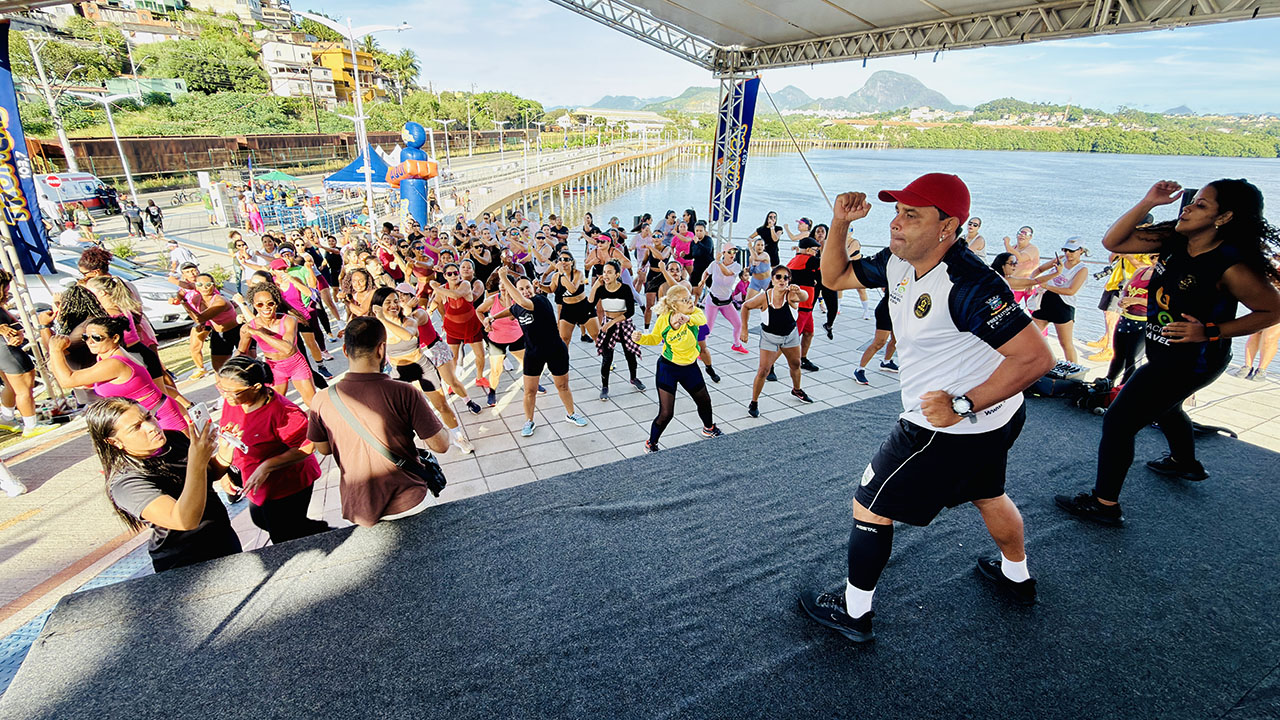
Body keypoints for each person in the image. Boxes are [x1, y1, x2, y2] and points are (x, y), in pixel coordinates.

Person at [802, 175, 1055, 643]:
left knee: (869, 505)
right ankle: (1016, 577)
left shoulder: (971, 283)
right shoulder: (898, 262)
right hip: (999, 418)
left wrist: (962, 404)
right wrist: (838, 224)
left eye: (911, 216)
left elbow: (1039, 358)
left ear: (947, 226)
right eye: (896, 213)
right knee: (988, 493)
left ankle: (855, 613)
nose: (895, 224)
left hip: (947, 427)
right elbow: (834, 277)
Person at [1056, 179, 1280, 525]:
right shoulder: (1174, 239)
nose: (1188, 208)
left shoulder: (1230, 265)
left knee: (1118, 421)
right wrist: (1149, 201)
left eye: (1202, 205)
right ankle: (1184, 463)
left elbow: (1273, 311)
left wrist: (1210, 331)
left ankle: (1105, 505)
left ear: (1224, 217)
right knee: (1169, 407)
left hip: (1191, 361)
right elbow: (1112, 242)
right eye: (1192, 201)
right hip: (1163, 351)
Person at [306, 317, 452, 526]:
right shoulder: (404, 392)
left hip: (360, 507)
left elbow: (323, 448)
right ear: (382, 350)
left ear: (346, 350)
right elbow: (441, 445)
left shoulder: (322, 399)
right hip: (409, 501)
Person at [88, 398, 241, 572]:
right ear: (114, 442)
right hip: (185, 563)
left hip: (223, 538)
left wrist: (224, 453)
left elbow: (207, 475)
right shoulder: (126, 483)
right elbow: (184, 520)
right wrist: (197, 462)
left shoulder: (173, 439)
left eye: (148, 417)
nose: (151, 427)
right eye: (136, 427)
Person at [215, 357, 330, 544]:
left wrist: (267, 466)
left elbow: (307, 446)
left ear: (256, 387)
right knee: (261, 519)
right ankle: (314, 531)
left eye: (230, 391)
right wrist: (224, 470)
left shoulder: (284, 413)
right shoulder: (233, 402)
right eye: (221, 389)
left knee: (283, 536)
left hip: (286, 484)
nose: (224, 396)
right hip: (254, 477)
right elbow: (228, 435)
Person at [371, 285, 477, 452]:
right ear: (378, 306)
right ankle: (407, 447)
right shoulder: (377, 328)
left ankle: (459, 438)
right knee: (400, 414)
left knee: (442, 405)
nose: (393, 305)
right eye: (388, 302)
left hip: (422, 368)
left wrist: (383, 319)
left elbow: (407, 334)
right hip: (399, 372)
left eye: (396, 301)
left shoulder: (410, 320)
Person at [490, 267, 589, 437]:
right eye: (521, 289)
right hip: (533, 352)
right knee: (530, 390)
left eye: (527, 287)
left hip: (555, 350)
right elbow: (512, 311)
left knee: (562, 385)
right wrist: (492, 317)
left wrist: (503, 277)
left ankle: (571, 414)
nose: (525, 291)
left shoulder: (540, 301)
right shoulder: (518, 306)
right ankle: (529, 421)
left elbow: (521, 302)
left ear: (533, 288)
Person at [48, 316, 189, 433]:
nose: (90, 342)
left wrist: (55, 350)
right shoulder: (104, 356)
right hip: (147, 419)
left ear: (115, 338)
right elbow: (84, 382)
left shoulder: (114, 364)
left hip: (160, 419)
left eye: (96, 338)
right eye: (86, 337)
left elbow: (68, 381)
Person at [633, 284, 722, 452]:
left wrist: (687, 319)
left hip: (690, 368)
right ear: (674, 305)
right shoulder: (664, 319)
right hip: (668, 369)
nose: (690, 302)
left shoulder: (694, 313)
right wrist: (640, 339)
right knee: (667, 413)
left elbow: (702, 319)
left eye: (690, 298)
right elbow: (654, 338)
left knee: (704, 401)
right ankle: (651, 443)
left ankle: (709, 428)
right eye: (685, 300)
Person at [738, 264, 810, 418]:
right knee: (763, 370)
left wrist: (799, 290)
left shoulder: (791, 294)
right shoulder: (765, 297)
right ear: (772, 279)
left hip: (790, 335)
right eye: (779, 277)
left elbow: (805, 297)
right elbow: (745, 306)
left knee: (796, 364)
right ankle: (754, 402)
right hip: (769, 338)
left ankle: (796, 389)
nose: (782, 280)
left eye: (786, 277)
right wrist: (744, 328)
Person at [235, 283, 316, 407]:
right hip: (274, 368)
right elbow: (241, 352)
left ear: (276, 303)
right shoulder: (248, 328)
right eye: (260, 304)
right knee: (272, 405)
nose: (265, 308)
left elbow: (288, 349)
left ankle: (322, 425)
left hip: (296, 364)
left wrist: (259, 333)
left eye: (270, 303)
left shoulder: (289, 320)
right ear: (254, 305)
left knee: (312, 402)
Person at [0, 271, 55, 437]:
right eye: (5, 287)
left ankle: (8, 418)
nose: (8, 291)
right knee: (24, 388)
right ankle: (31, 425)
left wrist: (18, 334)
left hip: (5, 350)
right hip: (7, 352)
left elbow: (14, 324)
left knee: (11, 386)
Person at [588, 260, 645, 401]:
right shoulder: (601, 289)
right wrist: (595, 286)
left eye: (609, 272)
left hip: (623, 322)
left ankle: (634, 378)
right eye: (604, 272)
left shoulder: (625, 288)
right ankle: (605, 386)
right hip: (608, 322)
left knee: (630, 353)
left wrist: (613, 322)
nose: (606, 275)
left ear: (617, 274)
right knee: (607, 357)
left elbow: (630, 311)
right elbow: (589, 304)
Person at [1030, 237, 1089, 363]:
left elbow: (1072, 291)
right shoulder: (1060, 259)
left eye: (1071, 251)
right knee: (1031, 336)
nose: (1068, 254)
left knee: (1066, 343)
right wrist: (1031, 281)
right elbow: (1040, 269)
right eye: (1065, 250)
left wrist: (1047, 286)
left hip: (1063, 304)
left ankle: (1074, 371)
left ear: (1081, 251)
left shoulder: (1082, 269)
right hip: (1045, 300)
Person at [432, 262, 489, 391]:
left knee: (480, 354)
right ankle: (454, 383)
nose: (453, 276)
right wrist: (430, 314)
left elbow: (456, 295)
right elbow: (435, 302)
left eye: (456, 273)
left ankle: (479, 378)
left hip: (471, 325)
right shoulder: (442, 289)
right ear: (445, 276)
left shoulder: (465, 284)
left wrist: (434, 286)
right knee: (454, 357)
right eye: (449, 274)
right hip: (453, 328)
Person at [1104, 254, 1155, 385]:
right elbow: (1126, 289)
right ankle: (1107, 385)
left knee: (1132, 360)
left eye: (1158, 257)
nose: (1155, 260)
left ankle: (1123, 390)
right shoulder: (1141, 270)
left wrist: (1136, 300)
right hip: (1125, 318)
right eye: (1153, 256)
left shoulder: (1164, 277)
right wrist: (1122, 300)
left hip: (1143, 321)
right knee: (1118, 356)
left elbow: (1162, 303)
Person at [179, 272, 241, 374]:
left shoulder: (220, 301)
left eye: (208, 285)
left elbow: (199, 318)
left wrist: (183, 302)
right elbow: (200, 319)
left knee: (247, 363)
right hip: (218, 334)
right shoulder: (197, 299)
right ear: (196, 286)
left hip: (236, 332)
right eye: (200, 285)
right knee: (219, 369)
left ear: (214, 285)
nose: (204, 287)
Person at [703, 243, 748, 354]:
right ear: (724, 253)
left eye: (734, 252)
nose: (732, 254)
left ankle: (736, 344)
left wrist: (719, 262)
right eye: (729, 252)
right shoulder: (714, 264)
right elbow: (706, 272)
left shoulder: (736, 266)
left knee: (738, 324)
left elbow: (727, 273)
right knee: (708, 328)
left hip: (726, 302)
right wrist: (702, 281)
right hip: (713, 301)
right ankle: (700, 349)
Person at [786, 237, 822, 372]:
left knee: (808, 333)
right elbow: (829, 264)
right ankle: (770, 365)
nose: (816, 253)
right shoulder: (809, 260)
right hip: (801, 307)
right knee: (791, 338)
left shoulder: (793, 260)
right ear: (808, 250)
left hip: (806, 307)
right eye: (815, 250)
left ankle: (803, 358)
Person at [548, 252, 600, 345]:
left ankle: (606, 358)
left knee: (596, 335)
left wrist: (561, 274)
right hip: (568, 308)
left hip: (583, 306)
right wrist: (539, 285)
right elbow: (550, 289)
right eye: (560, 260)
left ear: (572, 262)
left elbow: (572, 289)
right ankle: (564, 359)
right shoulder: (556, 276)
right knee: (564, 338)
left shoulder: (578, 273)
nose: (563, 262)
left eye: (566, 260)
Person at [852, 292, 898, 386]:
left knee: (897, 339)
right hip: (886, 311)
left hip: (900, 313)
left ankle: (886, 362)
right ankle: (860, 369)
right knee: (879, 343)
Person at [1003, 226, 1039, 305]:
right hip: (1015, 285)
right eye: (1020, 233)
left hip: (1029, 286)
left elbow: (1020, 258)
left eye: (1026, 233)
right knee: (1009, 309)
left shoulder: (1032, 249)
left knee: (1034, 310)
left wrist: (1007, 244)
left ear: (1030, 237)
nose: (1022, 235)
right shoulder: (1013, 248)